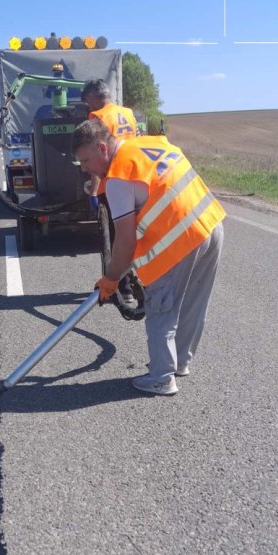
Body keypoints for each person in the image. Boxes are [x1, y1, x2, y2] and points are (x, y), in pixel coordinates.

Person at [72, 118, 226, 396]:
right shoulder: (148, 143)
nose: (85, 169)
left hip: (180, 239)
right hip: (211, 224)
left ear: (102, 149)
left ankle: (161, 378)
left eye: (85, 160)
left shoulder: (119, 176)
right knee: (193, 303)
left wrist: (111, 280)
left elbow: (125, 241)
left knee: (161, 311)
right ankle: (179, 362)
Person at [81, 79, 139, 303]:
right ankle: (137, 281)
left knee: (116, 237)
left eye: (88, 101)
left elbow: (97, 157)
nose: (88, 106)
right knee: (134, 233)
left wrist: (94, 192)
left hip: (112, 180)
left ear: (94, 98)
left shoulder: (98, 118)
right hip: (134, 176)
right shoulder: (128, 113)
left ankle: (122, 288)